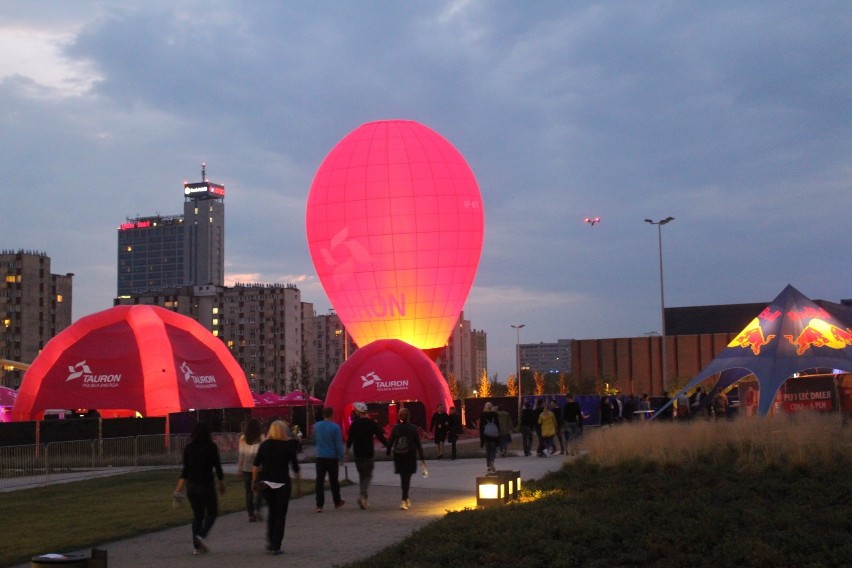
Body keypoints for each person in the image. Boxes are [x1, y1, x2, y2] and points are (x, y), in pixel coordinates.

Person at [173, 423, 225, 555]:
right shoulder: (211, 447)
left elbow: (185, 470)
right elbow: (217, 467)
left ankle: (196, 547)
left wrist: (178, 489)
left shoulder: (188, 448)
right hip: (206, 485)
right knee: (212, 513)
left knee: (198, 516)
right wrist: (221, 483)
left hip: (192, 486)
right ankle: (201, 535)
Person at [252, 420, 301, 556]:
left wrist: (254, 480)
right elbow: (295, 467)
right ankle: (276, 544)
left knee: (272, 512)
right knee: (281, 514)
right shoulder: (288, 446)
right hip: (282, 483)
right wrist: (298, 484)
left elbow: (256, 464)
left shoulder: (265, 445)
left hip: (267, 483)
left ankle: (270, 540)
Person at [346, 402, 388, 509]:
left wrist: (346, 452)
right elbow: (380, 436)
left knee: (362, 476)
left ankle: (365, 499)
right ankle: (363, 496)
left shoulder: (354, 424)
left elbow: (350, 440)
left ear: (358, 412)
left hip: (358, 453)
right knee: (367, 476)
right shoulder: (372, 423)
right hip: (368, 453)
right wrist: (388, 446)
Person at [386, 407, 426, 510]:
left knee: (403, 478)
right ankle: (404, 499)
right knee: (407, 478)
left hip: (399, 455)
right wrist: (422, 457)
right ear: (409, 416)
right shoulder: (413, 428)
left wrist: (388, 451)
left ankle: (405, 498)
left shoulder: (396, 428)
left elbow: (390, 442)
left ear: (399, 417)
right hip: (410, 455)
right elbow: (418, 443)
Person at [313, 406, 345, 512]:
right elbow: (338, 444)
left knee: (319, 481)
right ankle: (337, 501)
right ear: (332, 415)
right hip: (332, 457)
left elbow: (314, 440)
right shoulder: (335, 427)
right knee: (334, 480)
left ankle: (319, 505)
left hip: (320, 456)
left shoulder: (316, 426)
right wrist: (341, 457)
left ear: (323, 415)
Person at [236, 418, 265, 522]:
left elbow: (241, 455)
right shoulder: (261, 437)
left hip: (246, 468)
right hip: (259, 468)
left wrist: (239, 468)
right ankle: (258, 509)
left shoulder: (243, 438)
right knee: (260, 490)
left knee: (248, 491)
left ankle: (251, 514)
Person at [479, 402, 500, 472]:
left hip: (486, 436)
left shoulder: (482, 415)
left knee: (488, 451)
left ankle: (488, 465)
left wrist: (482, 440)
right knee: (493, 451)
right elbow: (498, 426)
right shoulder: (495, 415)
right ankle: (492, 461)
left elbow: (481, 428)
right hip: (494, 436)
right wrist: (498, 436)